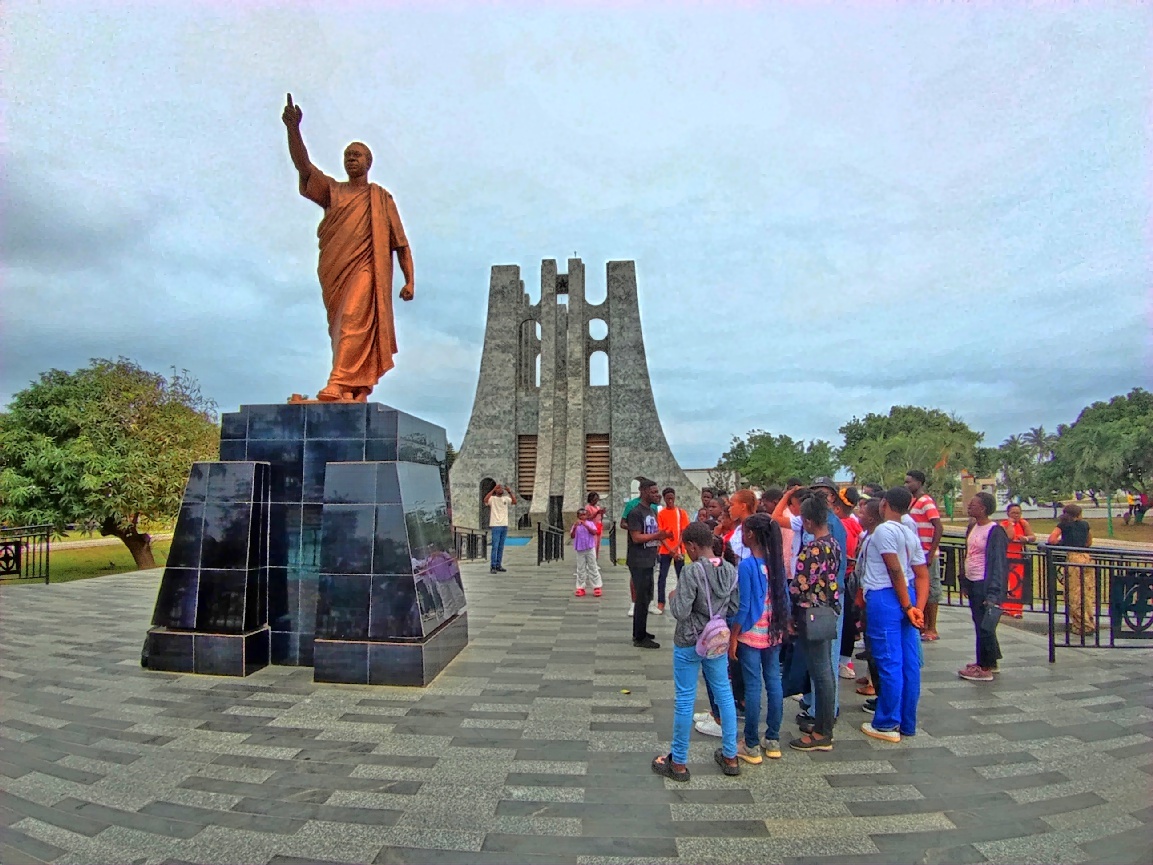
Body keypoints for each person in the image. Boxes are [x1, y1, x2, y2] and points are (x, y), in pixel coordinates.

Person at [283, 94, 414, 402]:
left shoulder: (380, 199)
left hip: (367, 267)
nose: (351, 159)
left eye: (357, 155)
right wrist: (293, 129)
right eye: (347, 155)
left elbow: (400, 243)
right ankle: (355, 387)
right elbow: (304, 167)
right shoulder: (333, 191)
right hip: (335, 269)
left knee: (354, 319)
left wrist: (409, 280)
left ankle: (338, 381)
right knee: (342, 324)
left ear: (368, 163)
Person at [652, 522, 741, 782]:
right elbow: (734, 606)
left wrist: (673, 596)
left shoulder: (692, 571)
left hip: (689, 640)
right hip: (716, 641)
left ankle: (678, 762)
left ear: (692, 546)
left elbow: (681, 611)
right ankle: (731, 756)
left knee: (685, 699)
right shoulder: (730, 569)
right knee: (724, 694)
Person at [859, 487, 929, 744]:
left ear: (884, 504)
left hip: (885, 596)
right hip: (907, 593)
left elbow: (894, 570)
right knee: (909, 662)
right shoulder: (909, 533)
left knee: (890, 661)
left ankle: (887, 722)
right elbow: (922, 575)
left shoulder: (883, 531)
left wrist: (908, 606)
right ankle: (907, 721)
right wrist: (917, 607)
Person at [729, 513, 789, 764]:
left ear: (751, 534)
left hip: (751, 634)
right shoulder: (777, 563)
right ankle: (773, 739)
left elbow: (744, 606)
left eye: (744, 531)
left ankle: (751, 743)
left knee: (753, 686)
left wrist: (733, 636)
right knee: (774, 682)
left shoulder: (747, 566)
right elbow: (784, 597)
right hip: (773, 632)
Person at [787, 495, 842, 751]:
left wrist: (789, 612)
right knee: (825, 671)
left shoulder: (812, 549)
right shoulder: (834, 544)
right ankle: (823, 725)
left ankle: (822, 731)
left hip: (811, 614)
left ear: (808, 521)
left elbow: (800, 585)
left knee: (820, 672)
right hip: (828, 611)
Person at [958, 493, 1008, 682]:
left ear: (983, 508)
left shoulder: (995, 531)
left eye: (973, 504)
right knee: (979, 623)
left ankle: (985, 667)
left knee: (985, 625)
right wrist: (964, 581)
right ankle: (988, 660)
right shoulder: (973, 527)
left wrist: (993, 592)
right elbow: (968, 554)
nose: (969, 506)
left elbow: (998, 562)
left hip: (984, 582)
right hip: (972, 580)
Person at [627, 480, 671, 649]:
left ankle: (641, 630)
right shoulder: (636, 512)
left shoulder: (651, 511)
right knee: (641, 598)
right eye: (653, 492)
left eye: (657, 491)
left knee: (646, 597)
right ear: (644, 492)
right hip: (639, 560)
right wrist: (657, 536)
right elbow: (636, 537)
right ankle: (639, 637)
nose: (656, 495)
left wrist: (662, 536)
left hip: (649, 559)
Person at [905, 471, 944, 642]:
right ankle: (923, 623)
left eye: (909, 482)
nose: (906, 485)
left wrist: (931, 552)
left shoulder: (926, 501)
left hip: (927, 553)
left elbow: (938, 526)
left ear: (919, 483)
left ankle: (932, 627)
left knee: (932, 588)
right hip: (917, 554)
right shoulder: (912, 502)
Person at [1047, 504, 1096, 636]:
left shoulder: (1063, 525)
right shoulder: (1085, 524)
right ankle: (1089, 621)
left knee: (1074, 593)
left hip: (1073, 559)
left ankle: (1081, 625)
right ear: (1078, 514)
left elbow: (1052, 539)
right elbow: (1089, 542)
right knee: (1087, 592)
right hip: (1086, 558)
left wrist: (1063, 543)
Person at [655, 487, 690, 615]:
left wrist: (675, 548)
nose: (670, 500)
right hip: (665, 550)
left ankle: (682, 601)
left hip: (679, 550)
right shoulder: (661, 514)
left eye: (672, 498)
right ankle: (661, 602)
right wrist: (669, 548)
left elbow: (684, 532)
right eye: (667, 498)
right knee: (662, 576)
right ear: (664, 499)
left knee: (681, 576)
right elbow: (660, 533)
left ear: (674, 498)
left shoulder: (681, 513)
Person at [999, 503, 1036, 618]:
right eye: (1013, 513)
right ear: (1008, 513)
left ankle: (1016, 609)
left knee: (1017, 582)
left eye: (1018, 513)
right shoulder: (1003, 524)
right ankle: (1005, 607)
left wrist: (1025, 538)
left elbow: (1032, 537)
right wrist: (1010, 524)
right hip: (1006, 556)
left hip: (1018, 557)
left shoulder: (1023, 523)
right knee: (1005, 582)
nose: (1016, 515)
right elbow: (1009, 537)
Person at [570, 507, 603, 598]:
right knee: (580, 568)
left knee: (593, 566)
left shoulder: (590, 523)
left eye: (584, 515)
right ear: (578, 516)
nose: (582, 517)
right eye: (581, 515)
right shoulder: (576, 525)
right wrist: (575, 527)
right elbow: (572, 536)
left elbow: (594, 532)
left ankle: (597, 586)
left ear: (587, 516)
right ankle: (580, 587)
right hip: (580, 548)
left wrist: (585, 525)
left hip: (590, 548)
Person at [484, 484, 517, 573]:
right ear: (495, 490)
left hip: (504, 525)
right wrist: (493, 489)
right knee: (495, 546)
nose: (500, 489)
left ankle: (498, 565)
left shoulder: (505, 498)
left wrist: (509, 491)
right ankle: (493, 566)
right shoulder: (492, 499)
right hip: (496, 525)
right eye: (498, 488)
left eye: (501, 488)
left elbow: (514, 502)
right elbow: (485, 500)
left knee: (501, 547)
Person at [585, 492, 606, 559]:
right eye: (595, 499)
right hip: (592, 526)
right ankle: (591, 558)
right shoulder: (588, 507)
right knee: (594, 543)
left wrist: (602, 513)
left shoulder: (597, 507)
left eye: (597, 499)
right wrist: (596, 513)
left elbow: (600, 518)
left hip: (598, 526)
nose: (596, 501)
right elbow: (588, 518)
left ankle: (596, 558)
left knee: (598, 544)